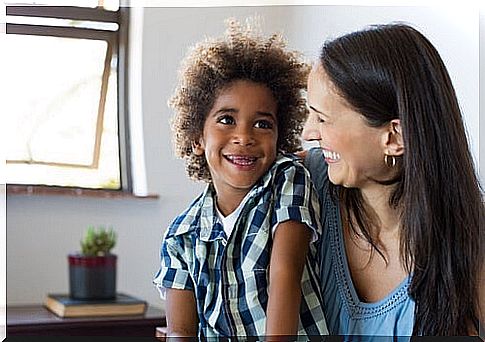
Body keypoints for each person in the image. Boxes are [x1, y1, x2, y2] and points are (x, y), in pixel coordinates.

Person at [302, 23, 484, 336]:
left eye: (322, 119)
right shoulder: (305, 185)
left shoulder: (473, 241)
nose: (308, 133)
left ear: (393, 137)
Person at [153, 19, 328, 339]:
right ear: (197, 137)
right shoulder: (180, 236)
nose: (244, 136)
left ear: (281, 135)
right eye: (226, 120)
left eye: (262, 124)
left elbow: (284, 274)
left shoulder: (289, 180)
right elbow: (181, 332)